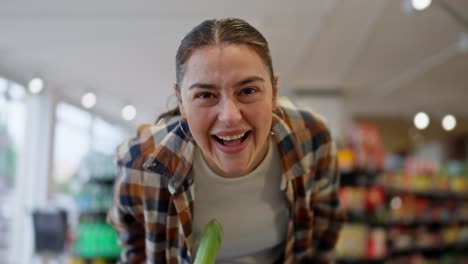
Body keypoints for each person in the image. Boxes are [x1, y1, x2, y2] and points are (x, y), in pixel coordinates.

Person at [108, 18, 343, 264]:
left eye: (248, 91)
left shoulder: (313, 139)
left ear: (274, 92)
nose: (230, 116)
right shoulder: (141, 164)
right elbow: (134, 248)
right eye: (205, 95)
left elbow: (323, 241)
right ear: (181, 102)